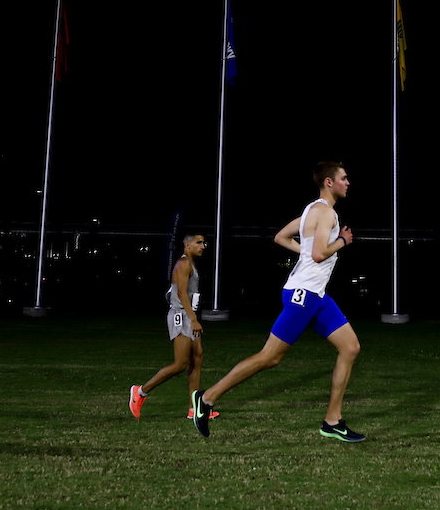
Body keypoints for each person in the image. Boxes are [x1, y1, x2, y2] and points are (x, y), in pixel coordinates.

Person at [192, 161, 364, 441]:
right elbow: (320, 254)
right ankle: (207, 398)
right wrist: (343, 241)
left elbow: (281, 237)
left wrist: (306, 252)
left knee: (350, 347)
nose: (348, 182)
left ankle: (332, 421)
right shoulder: (327, 213)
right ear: (329, 182)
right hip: (303, 295)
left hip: (316, 295)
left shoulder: (311, 209)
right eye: (344, 178)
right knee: (269, 357)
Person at [130, 233, 219, 420]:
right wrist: (193, 319)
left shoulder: (191, 264)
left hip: (188, 315)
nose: (203, 246)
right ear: (187, 245)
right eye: (199, 243)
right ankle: (140, 392)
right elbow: (181, 293)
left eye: (204, 243)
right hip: (181, 315)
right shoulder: (184, 263)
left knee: (198, 358)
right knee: (180, 364)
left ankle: (194, 410)